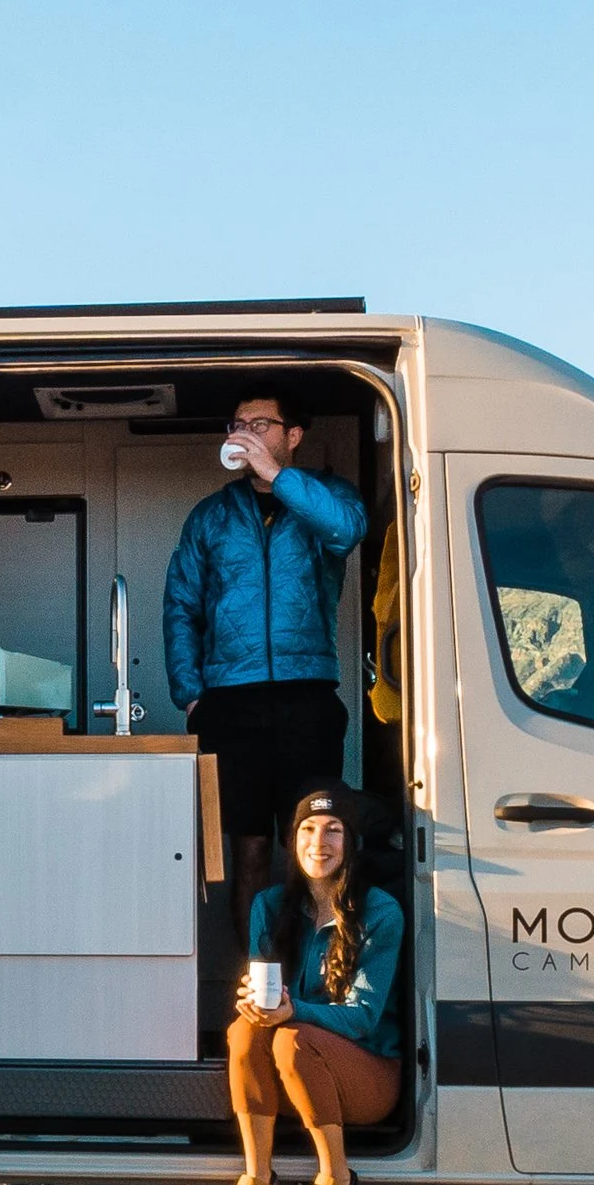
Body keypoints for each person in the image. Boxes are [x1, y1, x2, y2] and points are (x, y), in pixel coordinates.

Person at [162, 390, 367, 944]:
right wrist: (191, 694)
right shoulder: (210, 515)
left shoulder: (326, 498)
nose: (245, 432)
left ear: (291, 435)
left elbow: (348, 531)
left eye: (260, 423)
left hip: (308, 697)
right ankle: (253, 987)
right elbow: (181, 603)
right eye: (237, 424)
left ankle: (307, 985)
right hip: (231, 702)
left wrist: (277, 476)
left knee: (312, 847)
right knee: (248, 851)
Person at [203, 787, 404, 1185]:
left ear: (351, 842)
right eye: (308, 830)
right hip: (294, 1074)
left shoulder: (380, 911)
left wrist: (293, 1013)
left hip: (368, 1076)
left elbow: (363, 1017)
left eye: (334, 830)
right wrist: (255, 1003)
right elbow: (264, 993)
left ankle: (336, 1179)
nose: (320, 841)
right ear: (292, 841)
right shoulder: (269, 905)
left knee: (292, 1038)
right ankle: (257, 1179)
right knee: (243, 1031)